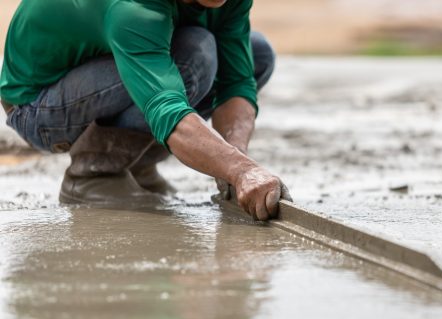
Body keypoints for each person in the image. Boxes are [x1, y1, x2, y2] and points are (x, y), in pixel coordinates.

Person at [0, 0, 290, 221]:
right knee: (194, 55)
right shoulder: (135, 8)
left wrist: (233, 160)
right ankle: (93, 174)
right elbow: (166, 108)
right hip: (37, 105)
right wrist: (242, 171)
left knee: (257, 54)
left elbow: (236, 83)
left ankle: (136, 162)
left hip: (106, 60)